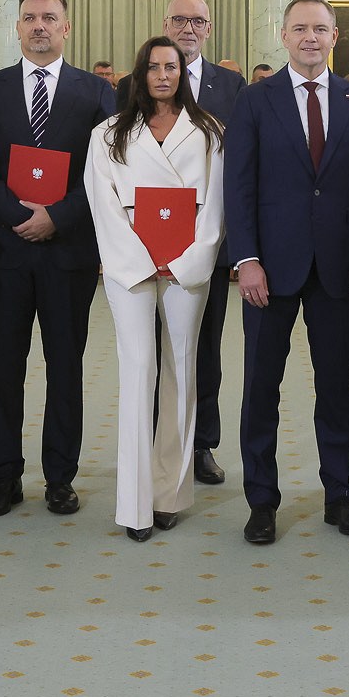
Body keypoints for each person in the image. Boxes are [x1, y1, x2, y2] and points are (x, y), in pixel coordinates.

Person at [226, 0, 349, 545]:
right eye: (300, 28)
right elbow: (238, 186)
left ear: (334, 36)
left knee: (336, 388)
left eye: (320, 29)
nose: (310, 38)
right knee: (260, 389)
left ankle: (339, 495)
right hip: (269, 269)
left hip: (341, 268)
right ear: (284, 35)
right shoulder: (254, 100)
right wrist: (246, 259)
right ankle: (261, 501)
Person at [0, 0, 116, 519]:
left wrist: (57, 216)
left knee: (65, 366)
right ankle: (3, 478)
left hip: (68, 251)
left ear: (66, 27)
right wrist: (17, 216)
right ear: (18, 27)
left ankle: (60, 478)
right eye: (29, 17)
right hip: (6, 251)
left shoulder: (96, 92)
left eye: (50, 18)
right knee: (4, 367)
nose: (39, 26)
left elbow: (106, 170)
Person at [87, 38, 228, 541]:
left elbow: (216, 205)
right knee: (138, 370)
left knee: (180, 371)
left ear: (183, 73)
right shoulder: (108, 133)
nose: (163, 75)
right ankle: (134, 503)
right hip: (131, 263)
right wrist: (140, 259)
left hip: (186, 262)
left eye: (172, 66)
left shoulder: (208, 131)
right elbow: (102, 204)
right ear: (140, 74)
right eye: (153, 67)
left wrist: (186, 259)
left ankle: (169, 494)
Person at [115, 0, 247, 487]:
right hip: (143, 248)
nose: (188, 28)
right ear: (165, 24)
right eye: (179, 20)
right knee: (148, 348)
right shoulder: (130, 86)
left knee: (202, 348)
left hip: (204, 247)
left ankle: (202, 443)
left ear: (209, 28)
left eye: (198, 21)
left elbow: (236, 167)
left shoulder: (231, 86)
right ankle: (156, 440)